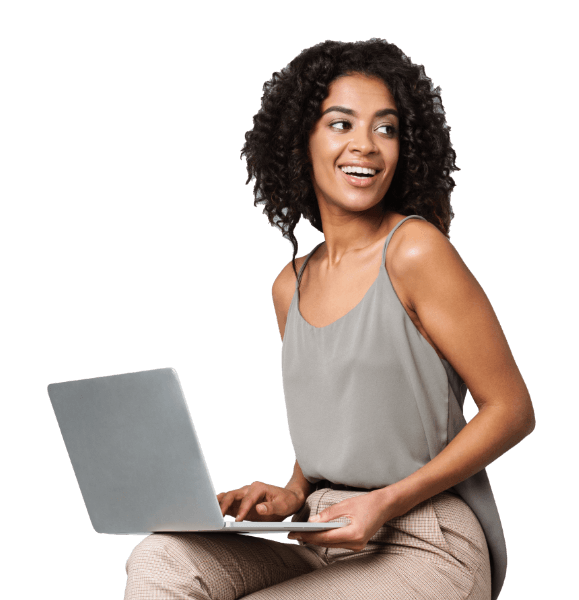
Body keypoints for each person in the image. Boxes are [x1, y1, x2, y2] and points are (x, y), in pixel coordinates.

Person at [124, 39, 535, 599]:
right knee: (160, 561)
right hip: (322, 531)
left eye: (386, 129)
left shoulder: (414, 251)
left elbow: (511, 409)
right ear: (302, 142)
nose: (365, 146)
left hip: (424, 538)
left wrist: (386, 501)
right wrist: (291, 493)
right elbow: (340, 421)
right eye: (341, 124)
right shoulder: (289, 285)